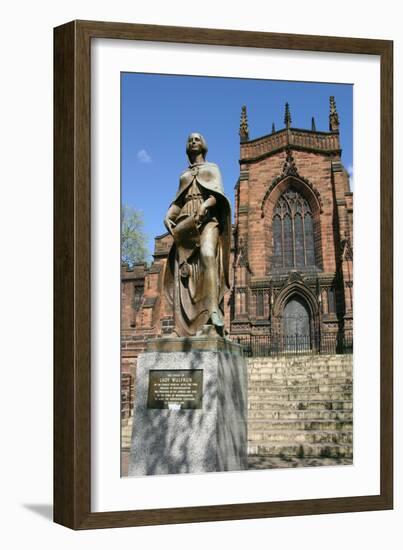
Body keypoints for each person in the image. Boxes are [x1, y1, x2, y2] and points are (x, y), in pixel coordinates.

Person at [163, 133, 231, 337]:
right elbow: (178, 200)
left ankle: (212, 314)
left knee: (208, 256)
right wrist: (168, 215)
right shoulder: (184, 175)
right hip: (185, 223)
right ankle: (180, 328)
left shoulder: (212, 168)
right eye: (190, 139)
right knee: (182, 272)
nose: (193, 141)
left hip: (208, 220)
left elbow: (217, 196)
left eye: (197, 139)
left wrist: (204, 205)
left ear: (204, 145)